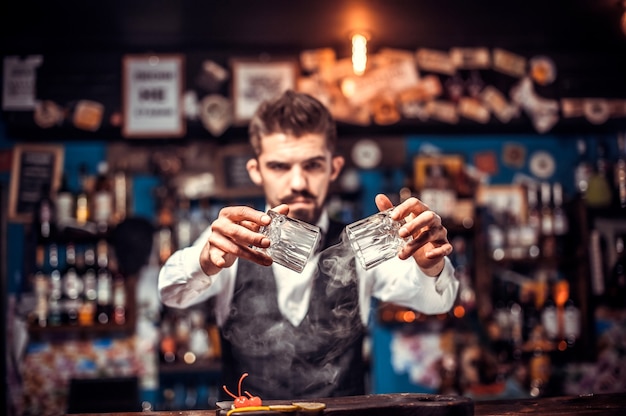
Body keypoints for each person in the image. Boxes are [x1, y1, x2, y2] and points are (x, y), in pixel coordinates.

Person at [158, 90, 459, 401]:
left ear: (334, 168)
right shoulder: (229, 238)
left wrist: (430, 264)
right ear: (255, 171)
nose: (298, 182)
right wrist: (205, 260)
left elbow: (437, 301)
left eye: (313, 165)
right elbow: (170, 292)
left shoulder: (362, 243)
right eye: (279, 166)